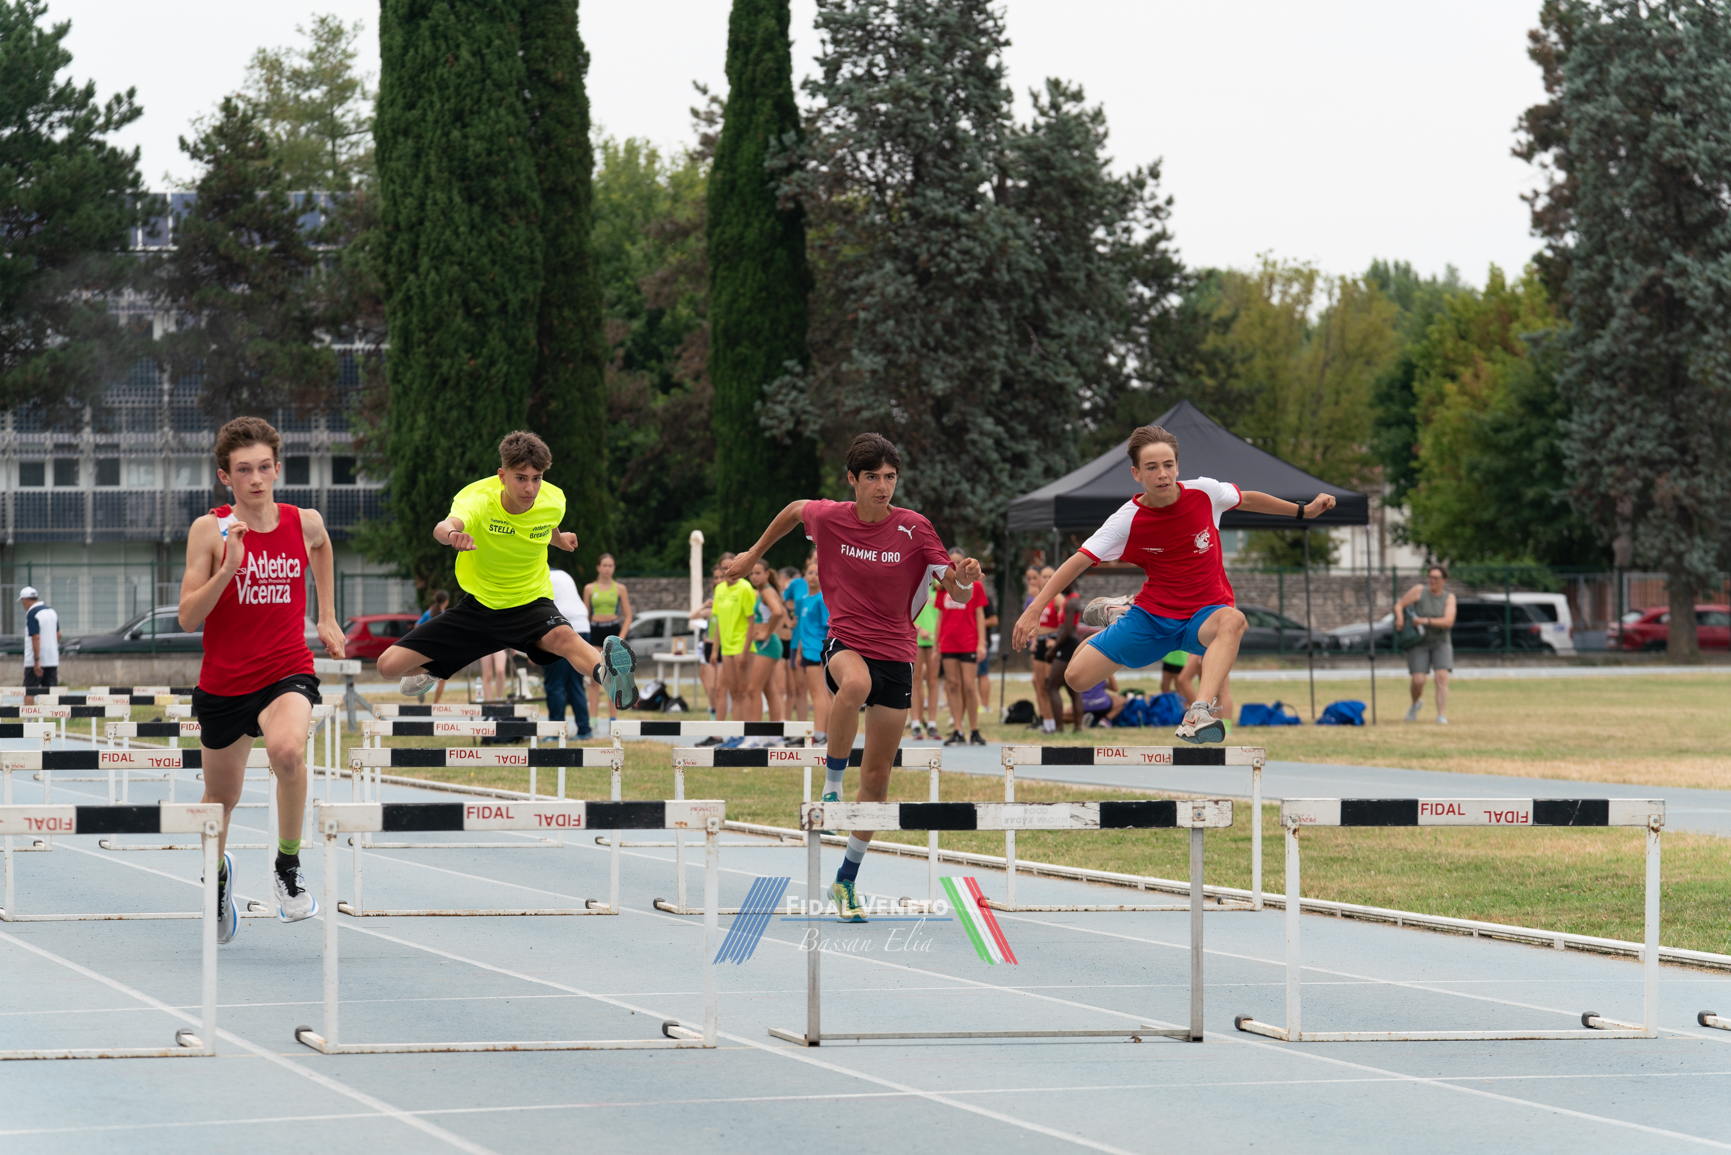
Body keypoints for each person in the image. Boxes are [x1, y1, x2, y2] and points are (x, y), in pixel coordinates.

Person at [725, 432, 980, 923]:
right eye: (872, 477)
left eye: (890, 477)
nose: (883, 487)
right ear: (852, 479)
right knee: (855, 686)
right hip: (846, 644)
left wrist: (964, 579)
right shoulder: (830, 517)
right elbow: (794, 510)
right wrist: (753, 555)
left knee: (879, 782)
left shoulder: (914, 528)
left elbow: (954, 586)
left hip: (898, 656)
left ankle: (846, 880)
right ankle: (831, 785)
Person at [1012, 423, 1336, 744]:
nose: (1162, 474)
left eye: (1168, 465)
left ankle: (1198, 713)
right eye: (1151, 468)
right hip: (1153, 617)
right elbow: (1078, 561)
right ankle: (1120, 617)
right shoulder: (1126, 520)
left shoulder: (1205, 493)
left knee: (1234, 620)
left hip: (1203, 615)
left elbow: (1247, 498)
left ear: (1178, 467)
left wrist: (1303, 512)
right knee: (1076, 679)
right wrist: (1035, 608)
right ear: (1136, 474)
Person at [178, 416, 345, 941]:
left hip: (285, 670)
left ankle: (287, 868)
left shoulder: (303, 521)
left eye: (264, 467)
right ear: (225, 477)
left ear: (277, 468)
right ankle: (216, 877)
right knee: (218, 802)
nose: (256, 479)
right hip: (225, 683)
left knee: (287, 753)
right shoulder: (209, 531)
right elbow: (187, 618)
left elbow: (322, 546)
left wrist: (326, 616)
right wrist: (229, 567)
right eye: (244, 470)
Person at [376, 431, 639, 728]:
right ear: (502, 475)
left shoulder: (554, 500)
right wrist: (453, 535)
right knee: (387, 667)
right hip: (479, 608)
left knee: (565, 638)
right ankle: (435, 669)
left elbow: (545, 523)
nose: (530, 488)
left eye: (537, 479)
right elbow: (442, 527)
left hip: (531, 604)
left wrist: (559, 539)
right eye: (521, 478)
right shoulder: (479, 499)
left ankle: (607, 674)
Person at [935, 546, 988, 746]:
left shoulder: (976, 586)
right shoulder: (944, 587)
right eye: (952, 562)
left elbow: (980, 615)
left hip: (968, 641)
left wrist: (981, 643)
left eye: (959, 561)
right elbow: (940, 617)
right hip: (948, 642)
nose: (955, 564)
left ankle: (974, 729)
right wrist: (936, 646)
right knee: (953, 685)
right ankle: (957, 729)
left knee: (969, 685)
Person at [1395, 564, 1456, 724]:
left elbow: (1448, 621)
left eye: (1436, 578)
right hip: (1419, 641)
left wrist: (1425, 620)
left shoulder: (1449, 598)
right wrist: (1400, 619)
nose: (1432, 580)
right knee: (1418, 680)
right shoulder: (1419, 591)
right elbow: (1399, 605)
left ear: (1444, 580)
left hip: (1440, 642)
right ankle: (1415, 703)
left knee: (1441, 677)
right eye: (1430, 577)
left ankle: (1440, 714)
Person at [544, 567, 593, 739]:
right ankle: (584, 729)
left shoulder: (541, 576)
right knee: (575, 682)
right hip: (583, 627)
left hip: (562, 630)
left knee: (555, 683)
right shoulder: (564, 574)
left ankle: (556, 733)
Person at [584, 554, 633, 725]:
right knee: (595, 677)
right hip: (595, 631)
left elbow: (628, 616)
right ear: (598, 567)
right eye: (604, 565)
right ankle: (593, 720)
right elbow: (585, 615)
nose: (607, 569)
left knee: (614, 678)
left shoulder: (620, 588)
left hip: (613, 631)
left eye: (610, 565)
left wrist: (621, 639)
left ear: (614, 568)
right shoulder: (589, 588)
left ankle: (613, 720)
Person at [710, 552, 757, 721]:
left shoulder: (745, 588)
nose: (728, 570)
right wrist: (714, 650)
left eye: (731, 566)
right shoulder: (720, 589)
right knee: (734, 692)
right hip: (727, 647)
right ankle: (736, 731)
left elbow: (752, 621)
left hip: (741, 645)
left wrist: (745, 651)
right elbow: (718, 623)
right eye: (724, 567)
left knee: (744, 691)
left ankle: (746, 731)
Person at [745, 560, 788, 722]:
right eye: (751, 573)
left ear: (767, 574)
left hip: (767, 644)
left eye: (758, 573)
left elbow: (778, 612)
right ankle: (775, 732)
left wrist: (766, 633)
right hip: (766, 644)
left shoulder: (767, 592)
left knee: (753, 690)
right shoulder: (764, 591)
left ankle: (754, 733)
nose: (754, 577)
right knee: (769, 689)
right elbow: (780, 611)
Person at [796, 558, 832, 742]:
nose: (813, 576)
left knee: (819, 694)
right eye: (810, 572)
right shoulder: (805, 599)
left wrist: (825, 654)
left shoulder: (821, 599)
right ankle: (823, 734)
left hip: (817, 651)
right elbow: (804, 630)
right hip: (807, 650)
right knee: (819, 693)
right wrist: (799, 651)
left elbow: (829, 627)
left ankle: (820, 734)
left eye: (817, 573)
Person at [1041, 580, 1084, 734]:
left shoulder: (1072, 601)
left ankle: (1059, 728)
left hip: (1068, 645)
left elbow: (1066, 630)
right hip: (1069, 644)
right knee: (1072, 689)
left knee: (1051, 686)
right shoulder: (1071, 599)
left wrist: (1053, 650)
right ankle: (1077, 728)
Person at [1028, 565, 1061, 727]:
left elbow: (1068, 621)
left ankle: (1055, 721)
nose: (1047, 580)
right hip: (1040, 642)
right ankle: (1046, 722)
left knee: (1049, 685)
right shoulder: (1038, 597)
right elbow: (1034, 622)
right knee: (1039, 685)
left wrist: (1057, 641)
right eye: (1044, 577)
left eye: (1050, 576)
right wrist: (1034, 641)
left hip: (1051, 641)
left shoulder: (1058, 597)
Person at [19, 586, 59, 706]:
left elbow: (35, 637)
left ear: (25, 600)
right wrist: (51, 648)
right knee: (51, 691)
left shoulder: (32, 613)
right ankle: (53, 715)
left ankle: (28, 716)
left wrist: (37, 660)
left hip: (35, 661)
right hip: (52, 659)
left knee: (29, 690)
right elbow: (58, 634)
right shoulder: (51, 611)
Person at [911, 583, 940, 740]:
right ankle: (916, 723)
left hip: (934, 640)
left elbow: (942, 613)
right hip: (917, 639)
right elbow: (905, 612)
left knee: (933, 681)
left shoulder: (938, 585)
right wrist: (919, 628)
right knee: (915, 680)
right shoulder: (915, 584)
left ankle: (932, 723)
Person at [780, 564, 808, 722]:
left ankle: (821, 732)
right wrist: (787, 620)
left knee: (820, 692)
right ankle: (793, 728)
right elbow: (779, 601)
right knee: (795, 689)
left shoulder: (831, 581)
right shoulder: (797, 584)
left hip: (817, 643)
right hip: (795, 642)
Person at [416, 590, 452, 703]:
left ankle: (421, 689)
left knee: (425, 673)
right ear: (446, 601)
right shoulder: (445, 615)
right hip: (440, 650)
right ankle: (435, 703)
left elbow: (417, 625)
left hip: (427, 648)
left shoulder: (429, 612)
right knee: (442, 678)